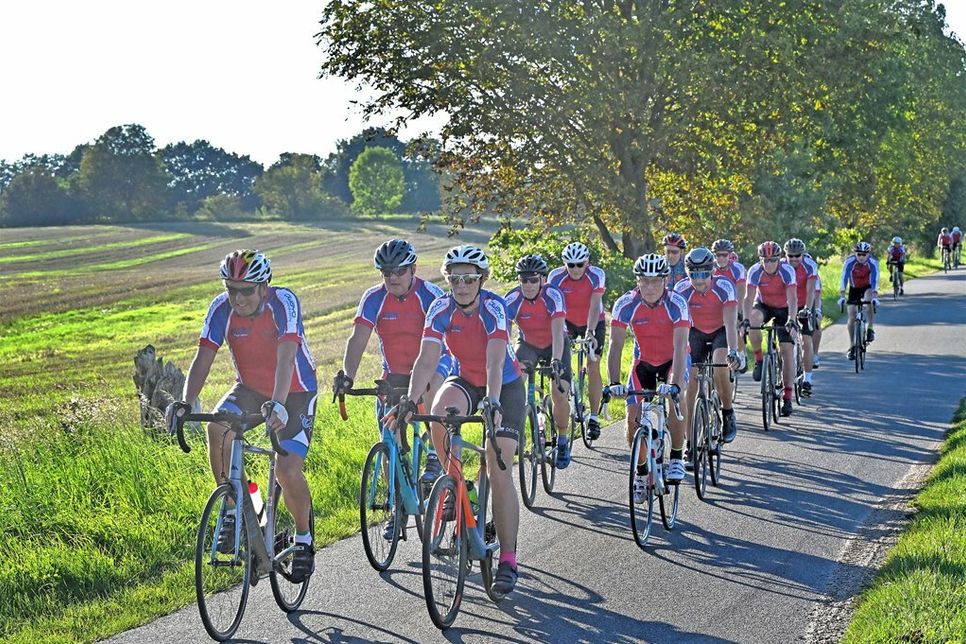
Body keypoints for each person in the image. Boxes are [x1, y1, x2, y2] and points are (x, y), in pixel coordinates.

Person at [167, 250, 318, 582]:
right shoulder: (221, 308)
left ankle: (304, 537)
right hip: (249, 388)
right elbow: (204, 356)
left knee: (286, 469)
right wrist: (185, 402)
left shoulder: (284, 302)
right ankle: (235, 507)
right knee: (219, 427)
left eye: (246, 289)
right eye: (231, 289)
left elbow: (287, 355)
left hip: (294, 391)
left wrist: (278, 404)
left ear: (264, 286)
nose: (238, 297)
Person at [397, 244, 524, 595]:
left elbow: (496, 360)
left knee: (498, 471)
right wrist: (410, 400)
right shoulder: (440, 308)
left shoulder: (493, 307)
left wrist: (493, 400)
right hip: (466, 377)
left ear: (481, 279)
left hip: (505, 386)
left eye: (469, 278)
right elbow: (426, 361)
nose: (462, 285)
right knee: (437, 413)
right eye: (455, 279)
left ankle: (508, 559)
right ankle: (454, 481)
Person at [335, 239, 452, 538]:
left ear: (413, 268)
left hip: (436, 362)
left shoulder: (431, 295)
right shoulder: (374, 298)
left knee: (427, 391)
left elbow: (444, 343)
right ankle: (397, 506)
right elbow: (358, 339)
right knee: (389, 439)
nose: (392, 278)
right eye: (385, 272)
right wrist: (347, 376)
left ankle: (434, 455)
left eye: (399, 271)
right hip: (395, 373)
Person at [607, 254, 690, 500]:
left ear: (665, 280)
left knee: (676, 399)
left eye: (656, 281)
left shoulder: (676, 303)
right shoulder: (625, 304)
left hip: (673, 360)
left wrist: (673, 384)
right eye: (645, 281)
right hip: (643, 362)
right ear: (638, 281)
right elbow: (615, 346)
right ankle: (642, 472)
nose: (650, 287)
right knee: (633, 418)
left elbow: (680, 347)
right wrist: (613, 383)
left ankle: (676, 455)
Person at [504, 254, 573, 468]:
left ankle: (562, 439)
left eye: (533, 279)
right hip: (528, 345)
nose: (528, 284)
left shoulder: (553, 295)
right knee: (514, 383)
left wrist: (555, 360)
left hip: (555, 343)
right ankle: (513, 431)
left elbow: (558, 330)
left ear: (542, 279)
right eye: (524, 280)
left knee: (559, 391)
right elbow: (503, 335)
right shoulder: (512, 299)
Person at [674, 248, 741, 447]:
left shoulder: (724, 286)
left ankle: (727, 412)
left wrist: (733, 351)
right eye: (693, 274)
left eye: (703, 274)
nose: (698, 280)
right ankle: (689, 443)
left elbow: (730, 324)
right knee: (691, 379)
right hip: (695, 333)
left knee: (721, 367)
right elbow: (679, 326)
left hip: (721, 331)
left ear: (711, 271)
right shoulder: (681, 290)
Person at [548, 242, 606, 439]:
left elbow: (595, 305)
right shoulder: (555, 277)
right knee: (563, 356)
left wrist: (590, 332)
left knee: (593, 364)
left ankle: (595, 417)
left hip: (593, 321)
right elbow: (555, 308)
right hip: (568, 321)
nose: (575, 269)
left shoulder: (596, 275)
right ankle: (571, 392)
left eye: (580, 264)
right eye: (570, 265)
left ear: (587, 262)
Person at [744, 241, 799, 418]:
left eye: (772, 260)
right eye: (765, 260)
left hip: (784, 309)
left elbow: (793, 298)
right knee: (753, 319)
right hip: (764, 305)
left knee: (787, 351)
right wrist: (745, 319)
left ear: (778, 259)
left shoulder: (787, 270)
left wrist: (792, 319)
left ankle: (788, 396)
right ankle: (759, 358)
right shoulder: (754, 271)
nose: (768, 264)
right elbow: (748, 298)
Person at [781, 239, 818, 397]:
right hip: (786, 306)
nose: (794, 259)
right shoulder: (781, 265)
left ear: (803, 255)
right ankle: (781, 371)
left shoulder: (810, 266)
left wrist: (808, 310)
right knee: (782, 342)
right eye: (791, 256)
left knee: (806, 342)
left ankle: (808, 379)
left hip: (804, 304)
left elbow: (811, 291)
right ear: (785, 255)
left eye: (798, 256)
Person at [711, 238, 748, 371]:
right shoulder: (711, 268)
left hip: (733, 303)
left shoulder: (737, 268)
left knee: (734, 326)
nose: (721, 258)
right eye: (717, 255)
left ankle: (741, 354)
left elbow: (741, 292)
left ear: (730, 255)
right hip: (717, 305)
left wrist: (738, 313)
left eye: (724, 255)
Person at [839, 241, 879, 357]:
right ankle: (852, 346)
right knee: (851, 315)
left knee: (868, 301)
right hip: (854, 288)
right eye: (859, 254)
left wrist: (875, 296)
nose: (861, 257)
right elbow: (844, 278)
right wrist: (842, 296)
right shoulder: (849, 262)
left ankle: (870, 327)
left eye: (864, 254)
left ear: (868, 254)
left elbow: (875, 279)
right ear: (855, 253)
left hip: (867, 287)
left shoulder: (872, 262)